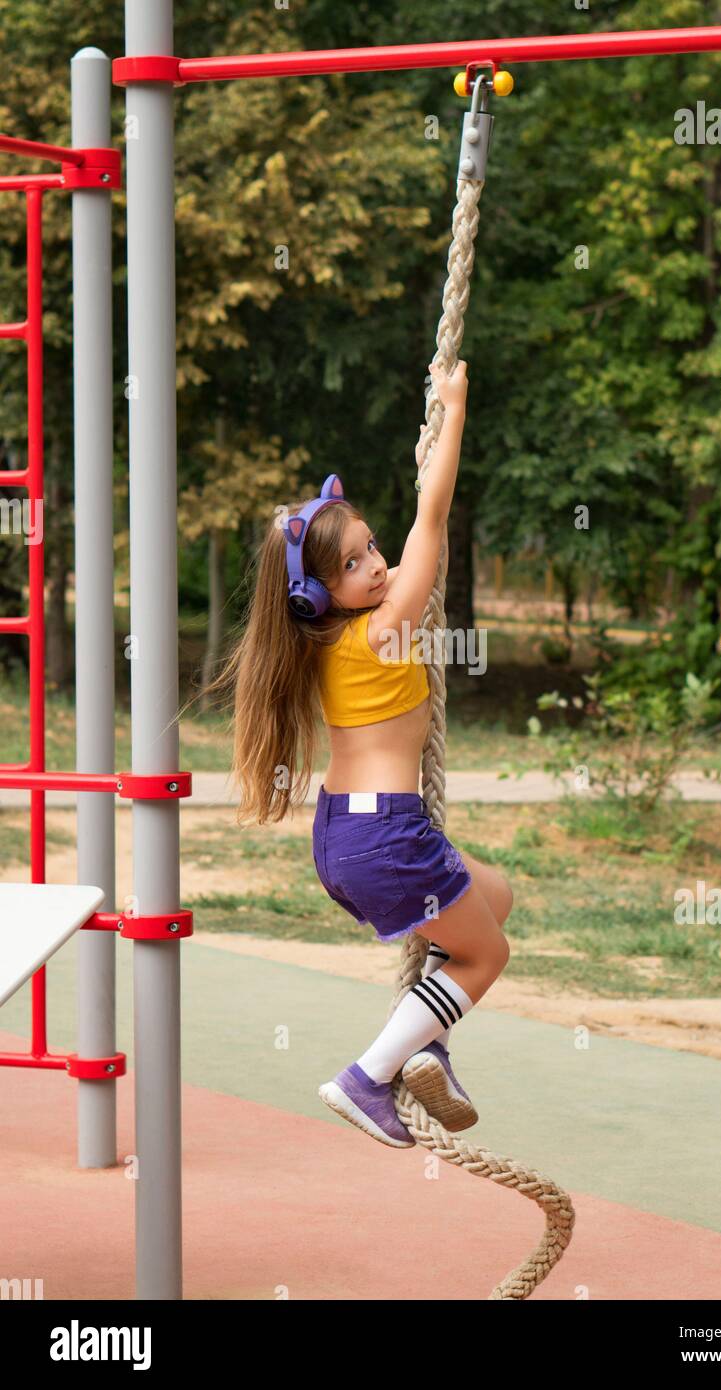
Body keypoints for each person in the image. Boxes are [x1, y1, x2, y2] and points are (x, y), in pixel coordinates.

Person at [196, 358, 512, 1149]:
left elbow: (408, 558)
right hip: (387, 837)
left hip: (347, 834)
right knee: (487, 955)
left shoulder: (333, 632)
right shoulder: (383, 623)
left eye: (373, 550)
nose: (376, 566)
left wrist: (426, 455)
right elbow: (431, 522)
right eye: (355, 564)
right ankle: (369, 1075)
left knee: (493, 895)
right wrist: (454, 406)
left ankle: (422, 1047)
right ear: (320, 592)